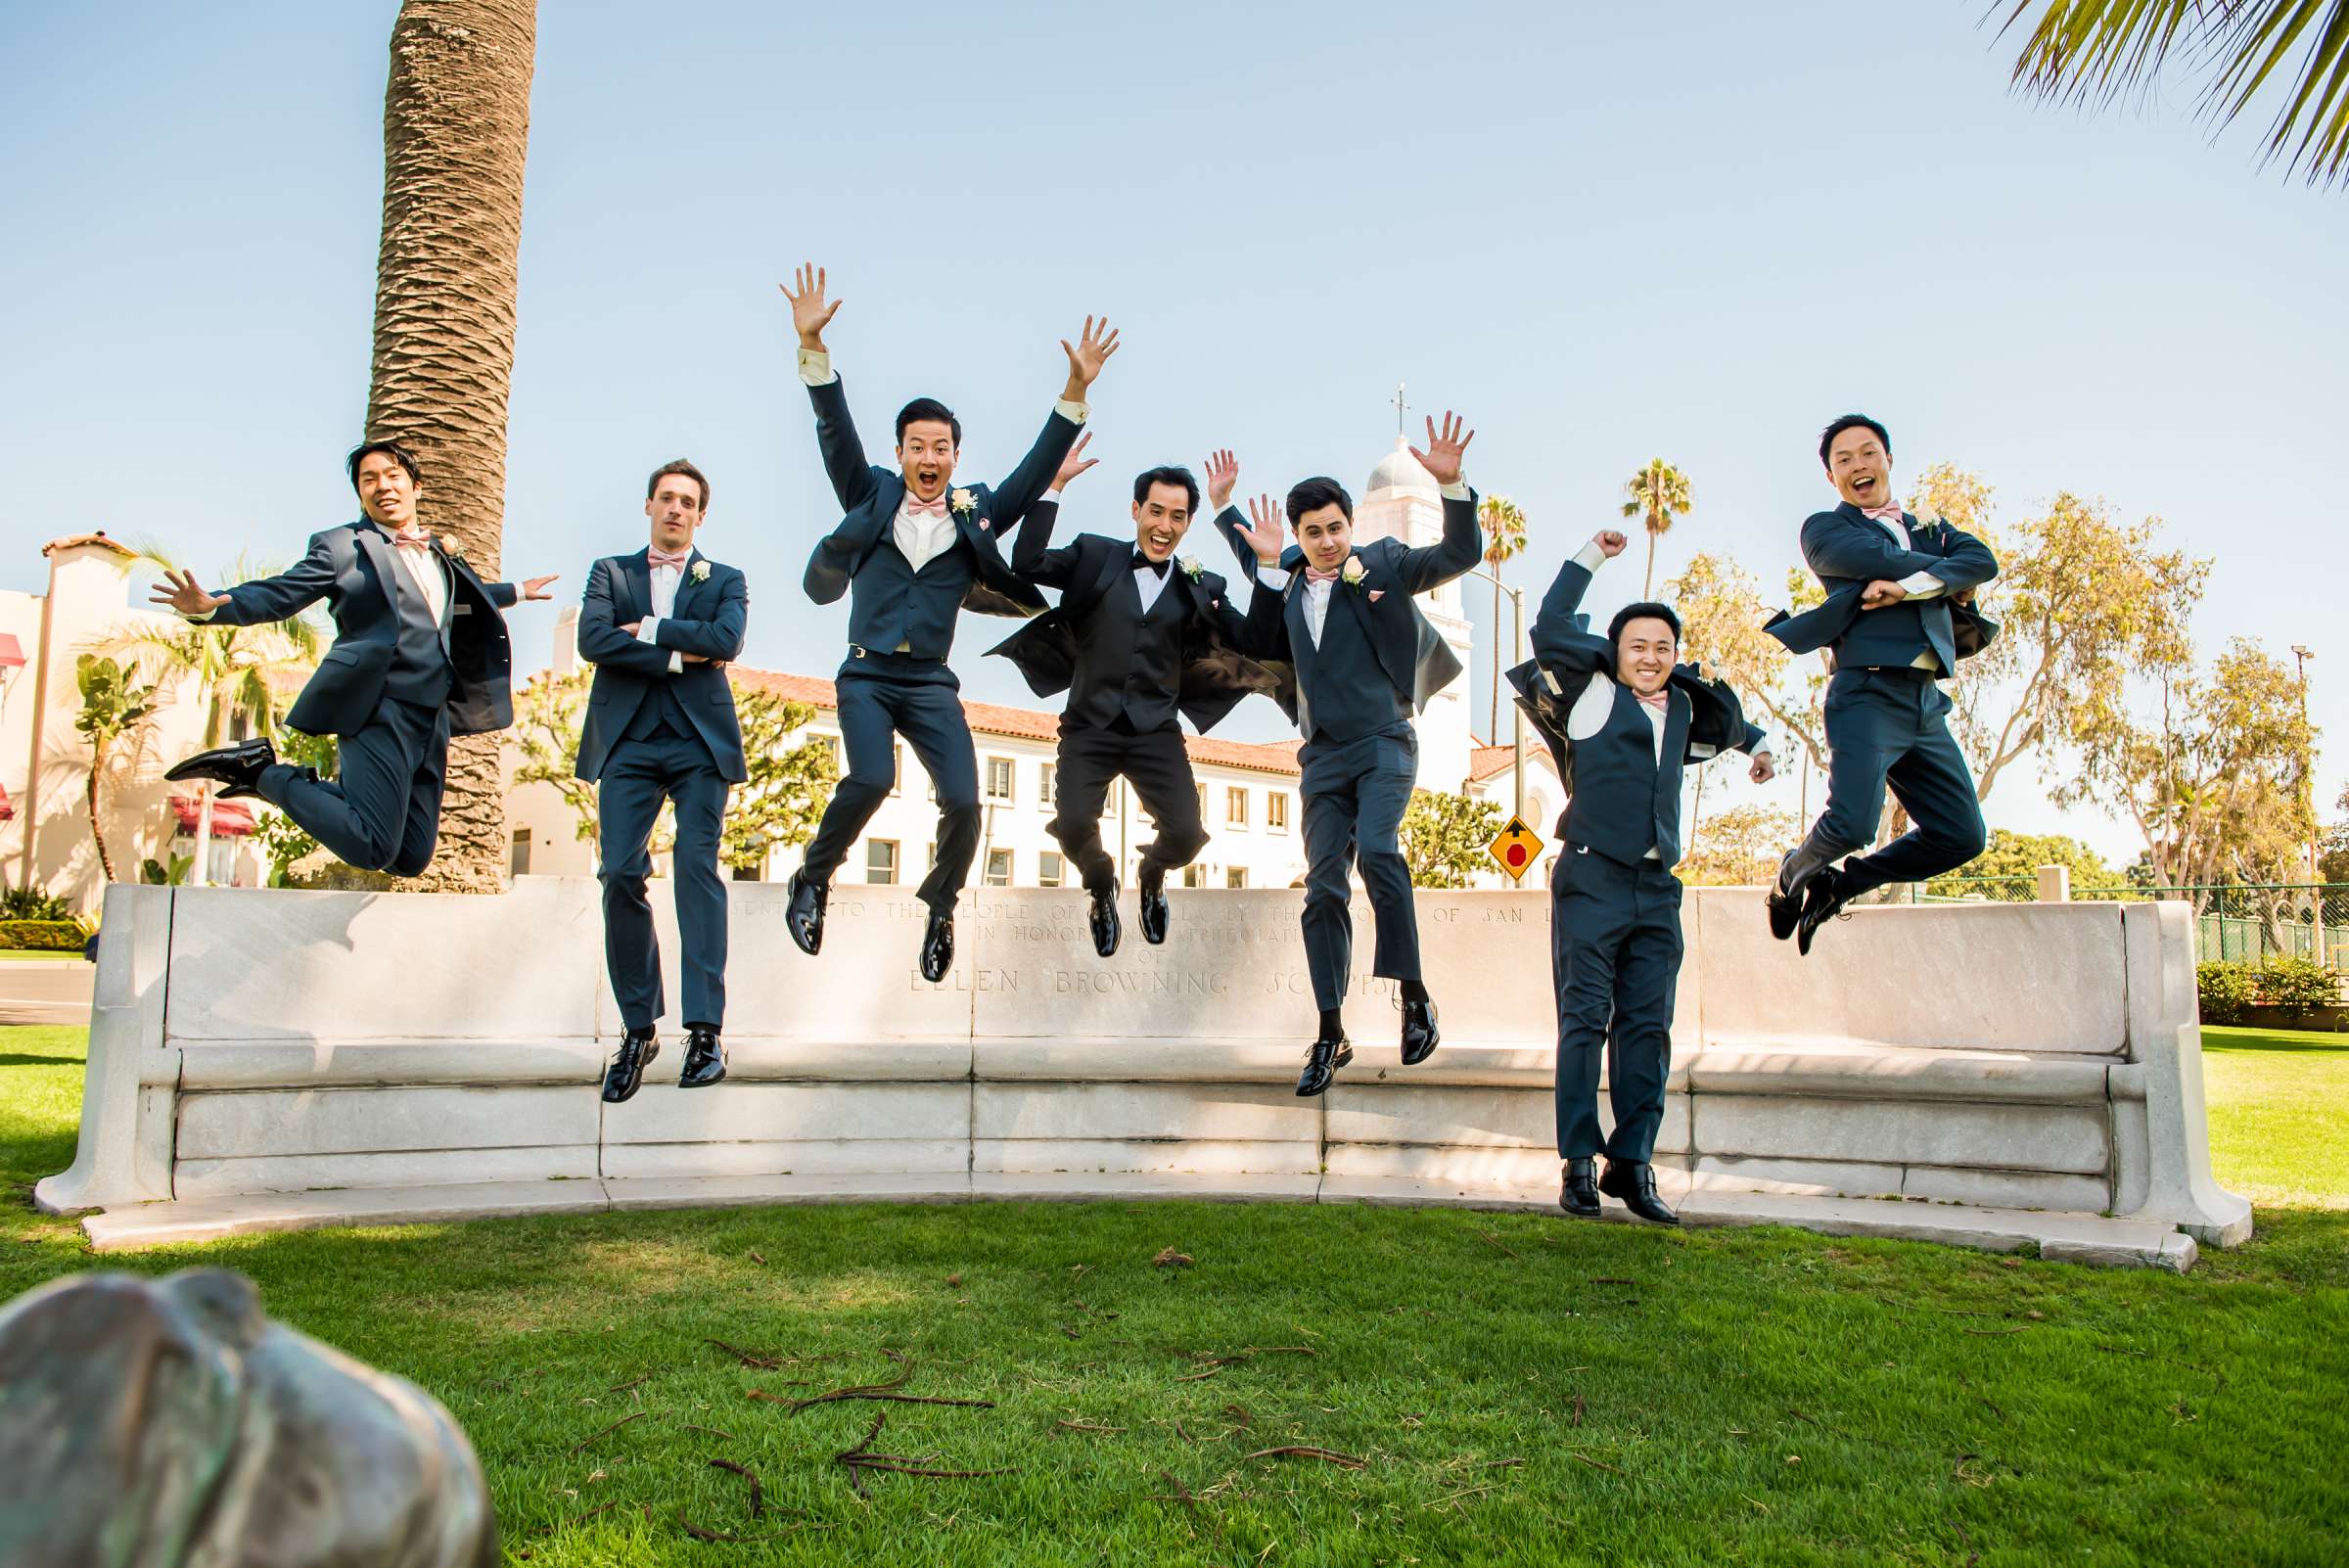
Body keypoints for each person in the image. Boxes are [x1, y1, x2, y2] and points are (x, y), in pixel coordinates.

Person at [777, 263, 1116, 983]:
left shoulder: (978, 510)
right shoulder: (869, 494)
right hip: (866, 673)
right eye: (916, 447)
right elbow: (833, 431)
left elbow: (1033, 469)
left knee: (965, 799)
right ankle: (813, 878)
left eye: (941, 448)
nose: (928, 458)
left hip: (930, 682)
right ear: (900, 453)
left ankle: (941, 908)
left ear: (955, 457)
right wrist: (814, 350)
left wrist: (1076, 390)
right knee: (869, 778)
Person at [1211, 415, 1483, 1097]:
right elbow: (1255, 553)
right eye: (1313, 533)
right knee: (1323, 886)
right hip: (1322, 757)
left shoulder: (1385, 562)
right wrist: (1224, 507)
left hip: (1387, 740)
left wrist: (1454, 487)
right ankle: (1331, 1033)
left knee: (1382, 851)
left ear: (1349, 524)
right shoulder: (1288, 575)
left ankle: (1414, 997)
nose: (1327, 542)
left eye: (1336, 528)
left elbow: (1459, 556)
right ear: (1299, 538)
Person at [1510, 530, 1773, 1224]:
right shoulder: (1594, 693)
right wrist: (1592, 555)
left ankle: (1633, 1162)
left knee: (1649, 1028)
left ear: (1674, 656)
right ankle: (1576, 1164)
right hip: (1591, 878)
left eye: (1663, 647)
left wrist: (1761, 746)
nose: (1651, 657)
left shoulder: (1684, 707)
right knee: (1584, 1023)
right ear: (1616, 654)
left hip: (1658, 889)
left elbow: (1734, 723)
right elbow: (1550, 626)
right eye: (1638, 646)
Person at [153, 439, 556, 877]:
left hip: (434, 713)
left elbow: (452, 597)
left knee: (410, 856)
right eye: (369, 479)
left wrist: (516, 591)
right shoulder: (342, 546)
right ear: (361, 494)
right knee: (372, 845)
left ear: (416, 486)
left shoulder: (438, 550)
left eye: (392, 475)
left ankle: (298, 783)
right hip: (378, 704)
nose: (382, 486)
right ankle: (262, 773)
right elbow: (281, 594)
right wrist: (212, 606)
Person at [990, 443, 1274, 954]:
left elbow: (1254, 639)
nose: (1165, 526)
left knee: (1187, 836)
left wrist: (1268, 565)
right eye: (1156, 511)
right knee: (1075, 825)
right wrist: (1052, 487)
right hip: (1089, 726)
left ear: (1188, 523)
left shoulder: (1199, 584)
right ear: (1136, 511)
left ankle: (1151, 872)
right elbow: (1027, 560)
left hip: (1156, 732)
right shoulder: (1096, 556)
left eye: (1179, 516)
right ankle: (1100, 884)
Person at [1763, 414, 1999, 953]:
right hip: (1866, 695)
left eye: (1867, 453)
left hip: (1925, 701)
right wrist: (1943, 579)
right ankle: (1790, 876)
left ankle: (1841, 886)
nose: (1858, 466)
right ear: (1832, 477)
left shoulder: (1930, 528)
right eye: (1843, 460)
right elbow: (1879, 558)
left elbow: (1982, 560)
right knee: (1850, 825)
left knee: (1962, 835)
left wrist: (1908, 587)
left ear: (1888, 459)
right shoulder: (1825, 529)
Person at [574, 459, 749, 1104]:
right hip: (627, 743)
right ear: (649, 505)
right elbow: (594, 639)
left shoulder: (725, 578)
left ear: (701, 516)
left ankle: (704, 1032)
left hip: (700, 743)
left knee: (696, 869)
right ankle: (638, 1028)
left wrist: (645, 632)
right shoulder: (609, 572)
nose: (676, 509)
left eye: (688, 502)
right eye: (667, 498)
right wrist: (683, 651)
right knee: (619, 872)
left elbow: (727, 638)